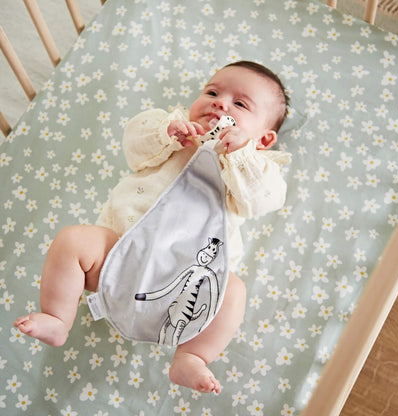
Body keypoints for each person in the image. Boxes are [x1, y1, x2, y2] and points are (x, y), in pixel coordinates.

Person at [14, 61, 290, 394]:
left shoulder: (255, 167)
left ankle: (191, 356)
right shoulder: (172, 130)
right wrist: (167, 133)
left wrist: (242, 154)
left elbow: (265, 199)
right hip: (119, 253)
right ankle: (58, 318)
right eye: (213, 92)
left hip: (190, 282)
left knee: (234, 293)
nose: (220, 104)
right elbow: (133, 144)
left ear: (265, 138)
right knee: (73, 240)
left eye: (240, 104)